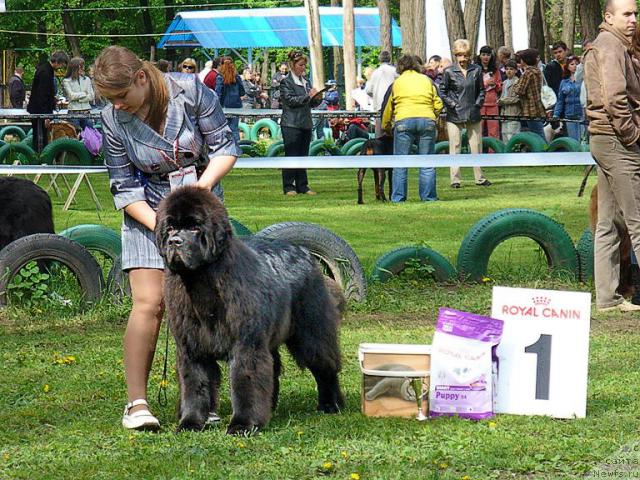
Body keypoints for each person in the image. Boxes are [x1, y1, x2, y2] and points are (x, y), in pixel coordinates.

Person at [93, 45, 240, 430]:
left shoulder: (191, 91)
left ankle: (201, 402)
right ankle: (136, 405)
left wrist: (196, 198)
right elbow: (123, 187)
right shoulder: (112, 119)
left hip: (200, 205)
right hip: (147, 212)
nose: (117, 106)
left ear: (141, 78)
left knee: (205, 303)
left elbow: (225, 148)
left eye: (122, 96)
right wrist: (162, 224)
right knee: (150, 302)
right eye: (109, 100)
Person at [584, 0, 640, 312]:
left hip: (605, 139)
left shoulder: (612, 44)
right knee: (637, 222)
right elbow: (615, 99)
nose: (633, 19)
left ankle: (607, 298)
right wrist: (633, 134)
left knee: (607, 224)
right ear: (609, 17)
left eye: (635, 14)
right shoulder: (610, 47)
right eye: (626, 14)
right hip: (617, 141)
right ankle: (609, 297)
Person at [381, 54, 442, 202]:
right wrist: (432, 116)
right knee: (427, 162)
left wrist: (386, 126)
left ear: (400, 67)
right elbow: (438, 104)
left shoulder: (397, 83)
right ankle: (428, 197)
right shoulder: (427, 81)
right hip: (427, 119)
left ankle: (398, 197)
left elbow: (388, 108)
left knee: (401, 162)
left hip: (403, 121)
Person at [440, 39, 491, 189]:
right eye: (460, 55)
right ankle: (455, 179)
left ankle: (480, 177)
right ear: (456, 55)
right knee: (454, 146)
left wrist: (477, 105)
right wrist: (453, 105)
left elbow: (481, 90)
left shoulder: (476, 70)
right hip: (454, 113)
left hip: (473, 112)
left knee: (476, 145)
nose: (463, 59)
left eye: (466, 55)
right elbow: (442, 92)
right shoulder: (448, 71)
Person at [279, 50, 322, 196]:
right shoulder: (286, 82)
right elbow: (290, 101)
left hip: (305, 123)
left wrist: (317, 97)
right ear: (293, 65)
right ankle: (289, 186)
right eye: (301, 65)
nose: (303, 68)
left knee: (303, 155)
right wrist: (307, 96)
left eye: (304, 65)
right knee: (291, 154)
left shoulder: (306, 82)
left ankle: (303, 185)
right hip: (291, 124)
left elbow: (310, 103)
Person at [27, 50, 69, 152]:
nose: (61, 67)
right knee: (40, 138)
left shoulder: (46, 70)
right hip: (39, 112)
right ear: (57, 62)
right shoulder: (45, 72)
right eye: (62, 64)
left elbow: (44, 93)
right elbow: (42, 96)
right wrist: (46, 116)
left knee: (41, 136)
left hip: (40, 110)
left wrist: (53, 98)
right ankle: (40, 158)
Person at [512, 48, 547, 140]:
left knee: (538, 135)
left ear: (524, 60)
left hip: (530, 109)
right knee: (538, 133)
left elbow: (520, 90)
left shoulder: (527, 73)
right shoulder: (538, 71)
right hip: (538, 107)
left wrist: (515, 84)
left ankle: (544, 152)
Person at [366, 51, 398, 136]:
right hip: (393, 107)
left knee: (380, 136)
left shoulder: (375, 73)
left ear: (379, 59)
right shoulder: (395, 72)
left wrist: (375, 96)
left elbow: (368, 90)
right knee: (393, 135)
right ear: (390, 59)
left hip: (380, 107)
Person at [552, 55, 583, 142]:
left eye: (577, 64)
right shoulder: (564, 82)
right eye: (572, 64)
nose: (575, 66)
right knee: (573, 140)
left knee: (583, 139)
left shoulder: (583, 80)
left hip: (582, 114)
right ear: (568, 67)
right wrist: (556, 114)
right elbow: (560, 100)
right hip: (569, 115)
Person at [215, 57, 245, 143]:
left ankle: (226, 148)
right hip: (236, 106)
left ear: (221, 65)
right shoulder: (237, 77)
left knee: (224, 129)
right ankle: (238, 149)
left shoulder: (220, 77)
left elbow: (218, 94)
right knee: (235, 129)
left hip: (224, 107)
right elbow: (242, 92)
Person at [475, 45, 502, 139]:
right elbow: (473, 86)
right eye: (483, 54)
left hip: (493, 104)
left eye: (488, 55)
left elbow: (499, 87)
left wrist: (495, 84)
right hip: (479, 103)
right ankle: (477, 152)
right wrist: (486, 83)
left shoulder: (496, 71)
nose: (486, 57)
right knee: (478, 130)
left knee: (494, 130)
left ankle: (493, 152)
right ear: (480, 56)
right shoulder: (475, 70)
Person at [62, 57, 95, 131]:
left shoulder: (87, 79)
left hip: (86, 113)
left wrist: (79, 99)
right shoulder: (66, 81)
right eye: (81, 67)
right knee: (75, 136)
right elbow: (71, 96)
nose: (83, 69)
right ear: (75, 67)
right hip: (73, 113)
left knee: (90, 135)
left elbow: (92, 96)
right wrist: (84, 93)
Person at [498, 59, 522, 143]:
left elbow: (517, 98)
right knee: (504, 137)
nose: (509, 71)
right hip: (504, 115)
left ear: (516, 70)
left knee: (512, 139)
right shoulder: (504, 82)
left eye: (511, 69)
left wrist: (503, 101)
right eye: (507, 69)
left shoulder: (518, 82)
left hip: (514, 114)